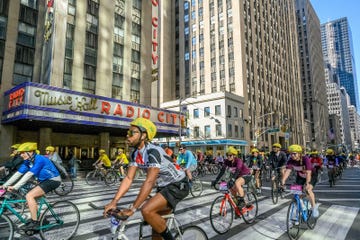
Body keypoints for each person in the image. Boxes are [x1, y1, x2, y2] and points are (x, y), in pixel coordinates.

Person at [104, 118, 189, 240]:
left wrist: (132, 209)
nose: (128, 135)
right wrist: (114, 201)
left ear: (143, 135)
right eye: (128, 132)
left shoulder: (152, 152)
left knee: (146, 210)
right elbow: (128, 178)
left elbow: (149, 181)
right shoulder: (135, 153)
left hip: (178, 185)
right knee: (156, 229)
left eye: (132, 133)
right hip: (163, 187)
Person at [0, 142, 61, 230]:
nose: (21, 155)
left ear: (31, 152)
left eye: (23, 152)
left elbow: (29, 174)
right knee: (29, 202)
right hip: (43, 181)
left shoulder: (39, 159)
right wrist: (5, 185)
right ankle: (42, 220)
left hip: (53, 180)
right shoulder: (28, 161)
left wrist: (15, 187)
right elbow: (18, 173)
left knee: (29, 196)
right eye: (20, 153)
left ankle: (35, 222)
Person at [281, 144, 319, 218]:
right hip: (300, 177)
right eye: (291, 153)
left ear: (299, 153)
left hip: (311, 176)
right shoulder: (291, 160)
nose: (292, 155)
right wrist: (283, 180)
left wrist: (307, 183)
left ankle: (314, 207)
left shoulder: (305, 159)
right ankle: (301, 208)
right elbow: (288, 171)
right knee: (296, 193)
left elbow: (308, 173)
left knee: (308, 190)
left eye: (294, 153)